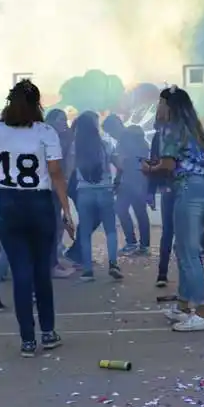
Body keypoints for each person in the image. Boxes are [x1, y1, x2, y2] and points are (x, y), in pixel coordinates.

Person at [0, 79, 72, 356]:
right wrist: (66, 210)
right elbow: (56, 173)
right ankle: (48, 332)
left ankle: (27, 341)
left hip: (10, 201)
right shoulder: (46, 132)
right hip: (39, 202)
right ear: (37, 103)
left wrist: (4, 178)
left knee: (20, 272)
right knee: (41, 271)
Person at [141, 85, 204, 332]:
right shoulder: (192, 128)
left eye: (160, 103)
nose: (157, 108)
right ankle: (183, 306)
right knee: (183, 248)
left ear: (168, 106)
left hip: (188, 192)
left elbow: (168, 165)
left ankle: (202, 312)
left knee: (188, 253)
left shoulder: (171, 129)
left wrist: (149, 168)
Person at [74, 111, 124, 282]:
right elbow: (120, 166)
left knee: (85, 232)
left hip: (84, 191)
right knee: (110, 229)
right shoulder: (106, 144)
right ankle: (113, 263)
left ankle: (87, 270)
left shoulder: (76, 146)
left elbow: (67, 170)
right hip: (105, 190)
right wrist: (116, 181)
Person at [46, 109, 76, 278]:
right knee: (53, 225)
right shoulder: (49, 139)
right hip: (49, 187)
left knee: (57, 225)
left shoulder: (64, 139)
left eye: (65, 119)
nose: (64, 123)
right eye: (60, 120)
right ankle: (51, 265)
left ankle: (53, 260)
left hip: (55, 187)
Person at [117, 124, 151, 256]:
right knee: (140, 212)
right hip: (140, 181)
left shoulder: (125, 145)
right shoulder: (144, 145)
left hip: (128, 181)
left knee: (121, 209)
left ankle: (131, 242)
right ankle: (144, 245)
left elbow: (120, 164)